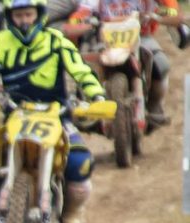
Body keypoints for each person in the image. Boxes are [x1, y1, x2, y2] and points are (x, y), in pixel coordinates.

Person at [0, 0, 105, 223]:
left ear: (39, 14)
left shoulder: (55, 40)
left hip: (56, 114)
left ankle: (72, 219)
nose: (24, 21)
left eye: (28, 14)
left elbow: (80, 69)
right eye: (19, 15)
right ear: (10, 17)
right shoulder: (0, 42)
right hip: (14, 114)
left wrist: (96, 94)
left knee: (80, 161)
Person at [66, 0, 185, 128]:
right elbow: (81, 13)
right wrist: (79, 20)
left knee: (161, 63)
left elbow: (173, 10)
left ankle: (155, 106)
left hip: (141, 37)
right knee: (83, 64)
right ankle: (86, 101)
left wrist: (161, 15)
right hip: (106, 40)